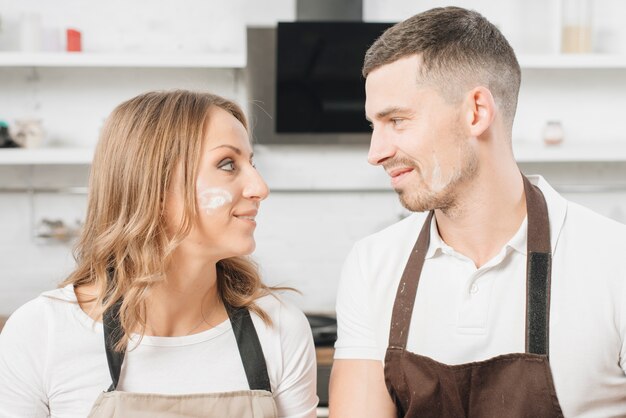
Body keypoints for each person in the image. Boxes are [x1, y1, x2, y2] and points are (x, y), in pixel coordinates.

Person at [330, 6, 626, 418]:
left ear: (476, 112)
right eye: (373, 126)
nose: (375, 153)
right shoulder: (373, 264)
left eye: (396, 120)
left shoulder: (615, 262)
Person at [0, 90, 318, 418]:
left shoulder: (279, 329)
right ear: (153, 184)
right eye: (227, 164)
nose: (260, 187)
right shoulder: (40, 333)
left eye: (250, 164)